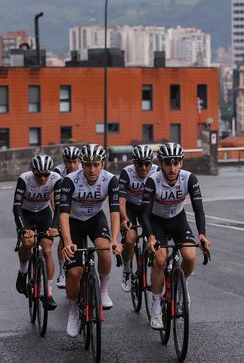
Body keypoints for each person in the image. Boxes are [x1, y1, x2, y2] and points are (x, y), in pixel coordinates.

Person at [140, 142, 213, 330]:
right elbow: (145, 213)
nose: (172, 168)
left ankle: (181, 285)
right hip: (157, 221)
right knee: (160, 260)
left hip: (178, 219)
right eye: (167, 163)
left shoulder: (190, 179)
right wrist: (150, 237)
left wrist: (202, 235)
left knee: (189, 257)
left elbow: (198, 209)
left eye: (176, 163)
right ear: (161, 163)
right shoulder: (152, 181)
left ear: (181, 163)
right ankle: (156, 307)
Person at [58, 144, 122, 337]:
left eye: (96, 165)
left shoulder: (110, 180)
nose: (92, 169)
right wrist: (67, 242)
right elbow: (63, 215)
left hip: (95, 218)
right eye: (87, 165)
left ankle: (102, 289)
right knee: (75, 272)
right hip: (74, 222)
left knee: (104, 250)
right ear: (82, 164)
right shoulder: (70, 181)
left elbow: (114, 212)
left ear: (102, 164)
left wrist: (115, 239)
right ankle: (73, 310)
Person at [13, 153, 61, 309]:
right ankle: (23, 271)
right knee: (28, 242)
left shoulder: (56, 179)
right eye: (39, 175)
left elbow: (60, 207)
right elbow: (16, 207)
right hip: (25, 214)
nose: (43, 179)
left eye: (46, 175)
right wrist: (23, 229)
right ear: (33, 172)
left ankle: (48, 293)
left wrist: (54, 227)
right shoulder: (24, 179)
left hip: (43, 213)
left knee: (47, 250)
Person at [117, 145, 158, 292]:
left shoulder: (157, 172)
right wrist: (124, 218)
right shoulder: (126, 173)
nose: (144, 167)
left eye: (147, 163)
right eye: (139, 163)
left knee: (156, 238)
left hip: (148, 207)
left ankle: (153, 269)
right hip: (131, 207)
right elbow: (120, 201)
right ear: (134, 163)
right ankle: (127, 269)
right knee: (129, 239)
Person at [52, 146, 82, 289]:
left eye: (74, 162)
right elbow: (54, 197)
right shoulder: (58, 172)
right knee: (64, 238)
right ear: (64, 161)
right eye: (68, 162)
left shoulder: (84, 169)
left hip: (79, 205)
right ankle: (62, 270)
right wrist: (58, 217)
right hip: (63, 206)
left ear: (79, 161)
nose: (71, 165)